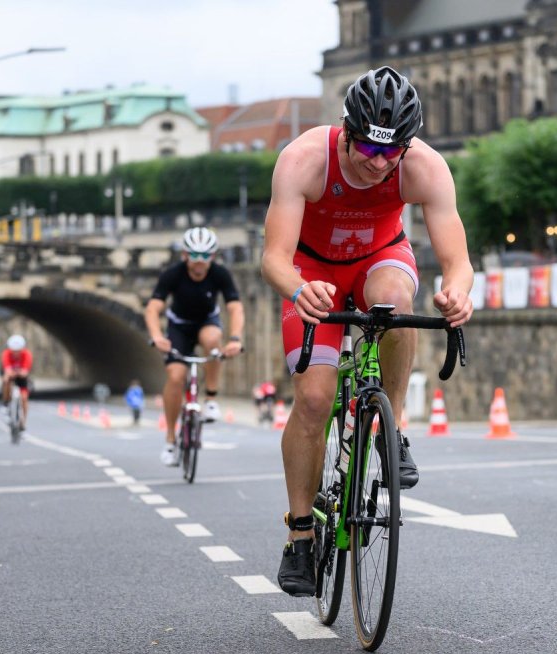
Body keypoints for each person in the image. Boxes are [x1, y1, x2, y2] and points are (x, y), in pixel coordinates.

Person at [261, 65, 474, 596]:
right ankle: (300, 534)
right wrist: (297, 289)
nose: (379, 163)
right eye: (369, 148)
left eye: (391, 151)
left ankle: (390, 429)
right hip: (311, 268)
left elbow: (458, 263)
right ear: (346, 132)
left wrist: (456, 293)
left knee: (396, 302)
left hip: (380, 258)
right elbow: (274, 259)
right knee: (314, 400)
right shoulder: (304, 159)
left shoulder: (424, 166)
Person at [145, 227, 245, 466]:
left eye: (206, 256)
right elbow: (153, 308)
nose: (200, 262)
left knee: (212, 341)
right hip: (179, 327)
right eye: (194, 255)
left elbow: (235, 308)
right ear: (184, 255)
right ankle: (171, 440)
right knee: (175, 376)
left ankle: (210, 398)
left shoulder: (220, 274)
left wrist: (235, 338)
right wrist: (157, 336)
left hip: (207, 322)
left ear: (213, 256)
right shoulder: (173, 274)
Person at [1, 334, 33, 429]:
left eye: (18, 351)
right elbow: (7, 370)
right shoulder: (6, 354)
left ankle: (23, 422)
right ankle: (6, 403)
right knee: (6, 379)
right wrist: (12, 373)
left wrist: (19, 373)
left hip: (21, 376)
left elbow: (25, 373)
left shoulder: (27, 355)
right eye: (14, 351)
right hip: (11, 374)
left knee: (24, 398)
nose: (16, 353)